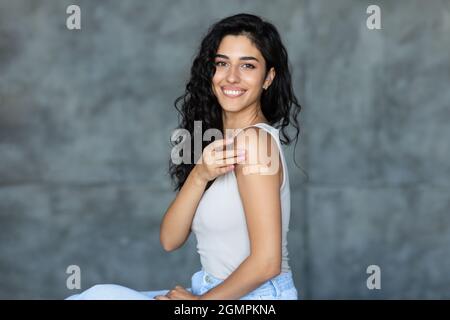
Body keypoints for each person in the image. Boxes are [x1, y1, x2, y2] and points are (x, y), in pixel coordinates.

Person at [66, 13, 302, 300]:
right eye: (222, 63)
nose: (231, 77)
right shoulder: (216, 144)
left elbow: (267, 263)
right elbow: (170, 239)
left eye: (248, 66)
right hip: (213, 290)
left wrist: (199, 305)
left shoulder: (255, 142)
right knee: (99, 295)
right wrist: (200, 174)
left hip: (257, 298)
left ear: (269, 77)